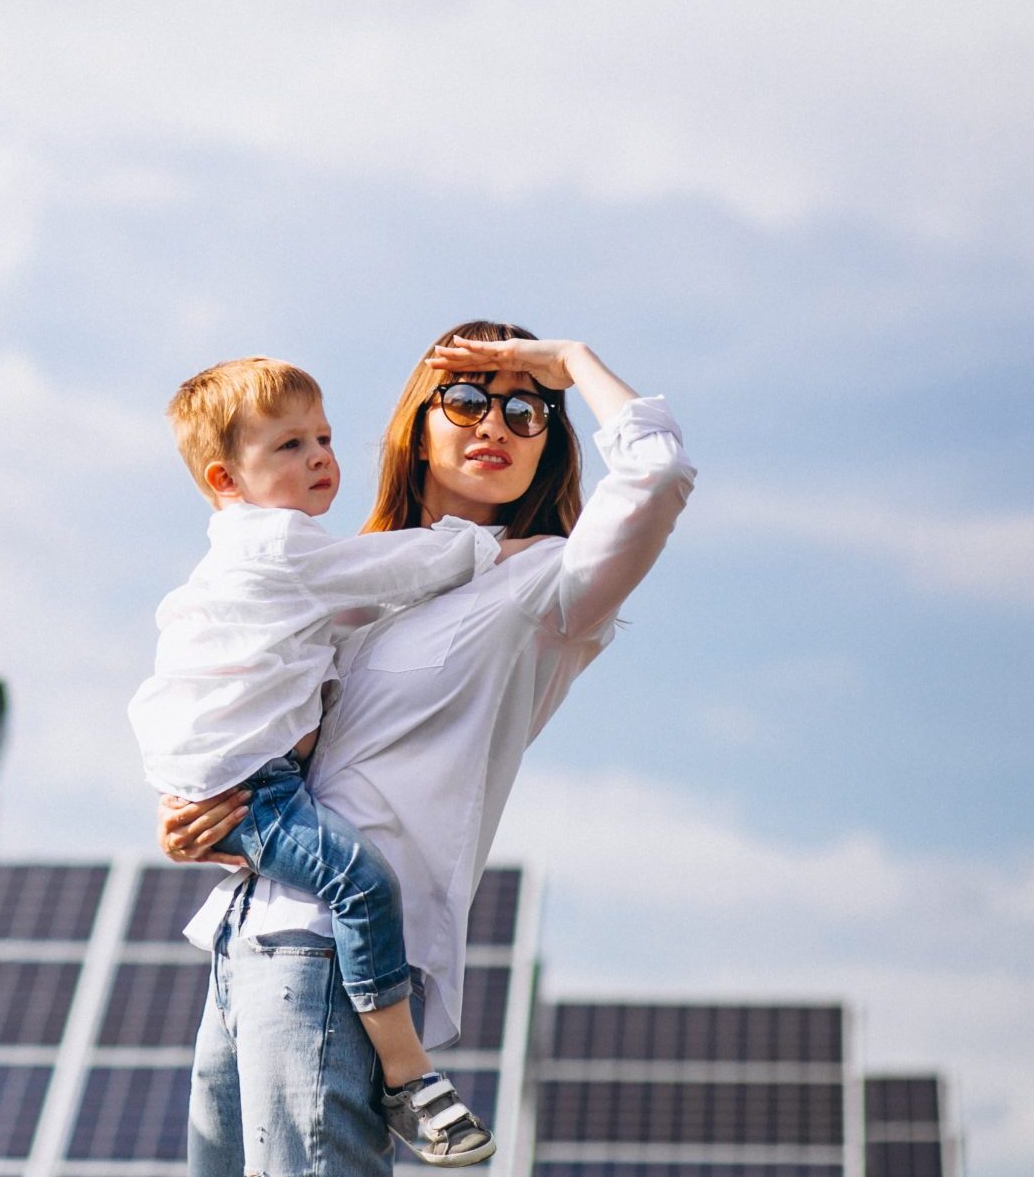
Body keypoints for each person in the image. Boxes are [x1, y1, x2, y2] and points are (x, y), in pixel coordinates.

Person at [159, 324, 695, 1176]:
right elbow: (243, 712)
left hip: (338, 960)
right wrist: (203, 816)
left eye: (527, 412)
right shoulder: (341, 576)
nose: (496, 424)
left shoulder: (544, 584)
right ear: (417, 427)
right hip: (245, 941)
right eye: (468, 399)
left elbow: (657, 476)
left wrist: (571, 362)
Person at [130, 356, 521, 1164]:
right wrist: (482, 547)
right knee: (362, 883)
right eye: (289, 446)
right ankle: (407, 1074)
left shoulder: (251, 563)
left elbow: (354, 610)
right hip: (257, 791)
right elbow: (394, 570)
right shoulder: (279, 546)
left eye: (324, 438)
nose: (319, 457)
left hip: (235, 789)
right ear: (225, 479)